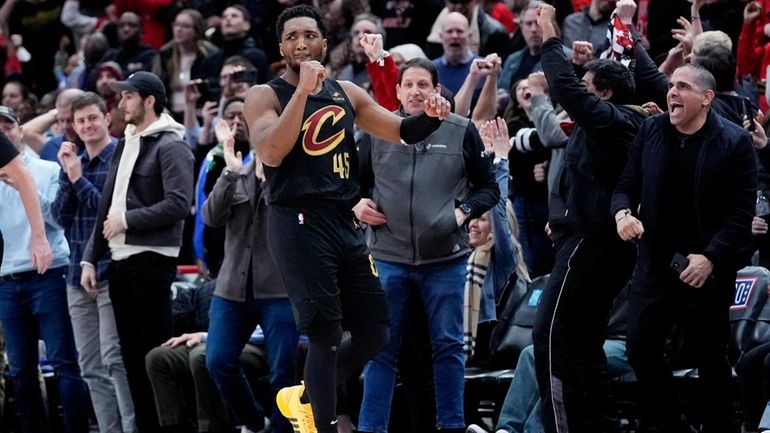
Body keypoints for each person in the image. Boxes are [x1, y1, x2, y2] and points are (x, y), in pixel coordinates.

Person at [243, 5, 451, 433]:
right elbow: (271, 152)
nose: (302, 43)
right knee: (326, 333)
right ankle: (318, 421)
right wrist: (301, 92)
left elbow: (399, 130)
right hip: (296, 220)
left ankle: (305, 393)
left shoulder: (348, 92)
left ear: (324, 42)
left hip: (343, 219)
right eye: (292, 37)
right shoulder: (264, 95)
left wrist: (430, 118)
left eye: (310, 35)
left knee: (376, 332)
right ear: (281, 47)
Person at [353, 57, 500, 433]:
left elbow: (489, 189)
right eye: (409, 85)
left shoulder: (461, 129)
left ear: (436, 89)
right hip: (387, 257)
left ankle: (451, 426)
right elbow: (349, 183)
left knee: (448, 348)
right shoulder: (376, 130)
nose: (416, 91)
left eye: (424, 84)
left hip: (445, 260)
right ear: (397, 91)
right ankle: (372, 428)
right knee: (380, 350)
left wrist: (463, 212)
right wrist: (356, 204)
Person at [612, 63, 756, 433]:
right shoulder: (651, 130)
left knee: (709, 355)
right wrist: (622, 213)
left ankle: (719, 427)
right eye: (671, 85)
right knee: (640, 346)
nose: (672, 92)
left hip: (707, 267)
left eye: (683, 86)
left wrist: (711, 257)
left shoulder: (733, 142)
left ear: (707, 98)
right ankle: (671, 425)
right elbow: (625, 184)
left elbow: (741, 213)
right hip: (657, 262)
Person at [529, 4, 647, 433]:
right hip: (591, 239)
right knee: (583, 342)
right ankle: (600, 426)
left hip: (592, 243)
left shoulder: (612, 120)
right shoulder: (613, 121)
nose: (579, 89)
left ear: (605, 95)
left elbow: (564, 86)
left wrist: (548, 33)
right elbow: (580, 174)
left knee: (551, 339)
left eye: (587, 86)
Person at [81, 71, 195, 433]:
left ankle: (172, 427)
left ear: (149, 100)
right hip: (119, 261)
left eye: (127, 96)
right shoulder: (128, 139)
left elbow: (179, 204)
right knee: (130, 358)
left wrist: (128, 220)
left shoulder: (171, 144)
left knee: (155, 357)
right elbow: (106, 208)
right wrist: (89, 256)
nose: (120, 103)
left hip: (152, 260)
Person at [202, 123, 299, 433]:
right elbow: (210, 217)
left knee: (283, 373)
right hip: (232, 288)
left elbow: (297, 225)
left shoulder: (292, 178)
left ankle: (280, 430)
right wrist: (229, 173)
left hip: (279, 290)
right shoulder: (236, 175)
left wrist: (269, 182)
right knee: (217, 360)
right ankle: (256, 423)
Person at [0, 105, 91, 433]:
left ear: (20, 131)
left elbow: (57, 220)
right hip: (7, 280)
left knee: (65, 362)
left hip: (50, 272)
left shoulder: (46, 169)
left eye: (8, 126)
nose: (3, 133)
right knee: (21, 371)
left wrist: (18, 184)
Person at [51, 92, 135, 433]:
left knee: (115, 361)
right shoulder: (73, 160)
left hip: (111, 271)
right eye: (79, 121)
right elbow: (58, 216)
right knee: (89, 366)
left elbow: (109, 214)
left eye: (91, 118)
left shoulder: (122, 156)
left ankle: (132, 427)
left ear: (106, 118)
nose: (86, 126)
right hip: (75, 275)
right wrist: (70, 175)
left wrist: (76, 179)